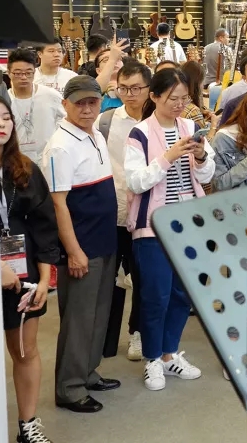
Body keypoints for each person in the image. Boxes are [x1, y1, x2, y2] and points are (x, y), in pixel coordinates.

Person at [124, 68, 214, 391]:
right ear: (154, 97)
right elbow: (135, 181)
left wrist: (202, 157)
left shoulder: (189, 127)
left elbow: (206, 176)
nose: (179, 104)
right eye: (173, 98)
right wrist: (167, 157)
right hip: (153, 226)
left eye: (184, 98)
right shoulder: (139, 133)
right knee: (156, 294)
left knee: (182, 293)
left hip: (188, 224)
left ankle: (169, 353)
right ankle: (152, 358)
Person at [42, 76, 120, 414]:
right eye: (79, 103)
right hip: (81, 245)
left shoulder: (96, 134)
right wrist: (73, 251)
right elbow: (58, 204)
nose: (87, 109)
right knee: (78, 318)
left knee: (98, 314)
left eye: (92, 102)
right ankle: (69, 387)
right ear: (65, 105)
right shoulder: (60, 146)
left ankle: (88, 372)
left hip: (104, 240)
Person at [0, 96, 61, 443]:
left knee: (25, 350)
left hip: (23, 278)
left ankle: (28, 425)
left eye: (5, 117)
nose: (0, 123)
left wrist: (44, 278)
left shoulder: (25, 169)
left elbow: (44, 226)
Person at [96, 60, 151, 363]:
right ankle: (106, 338)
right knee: (110, 278)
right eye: (124, 88)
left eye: (136, 88)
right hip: (113, 210)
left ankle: (137, 333)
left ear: (149, 89)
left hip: (145, 214)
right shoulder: (106, 120)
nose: (129, 94)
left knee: (142, 277)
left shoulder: (155, 122)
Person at [7, 47, 66, 165]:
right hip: (16, 161)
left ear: (34, 72)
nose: (24, 77)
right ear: (9, 73)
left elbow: (66, 120)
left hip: (48, 159)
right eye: (18, 73)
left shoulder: (50, 95)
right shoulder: (5, 100)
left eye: (28, 73)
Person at [180, 60, 210, 129]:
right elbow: (203, 135)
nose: (203, 85)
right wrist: (214, 125)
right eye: (202, 81)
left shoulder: (178, 103)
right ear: (197, 84)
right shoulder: (192, 110)